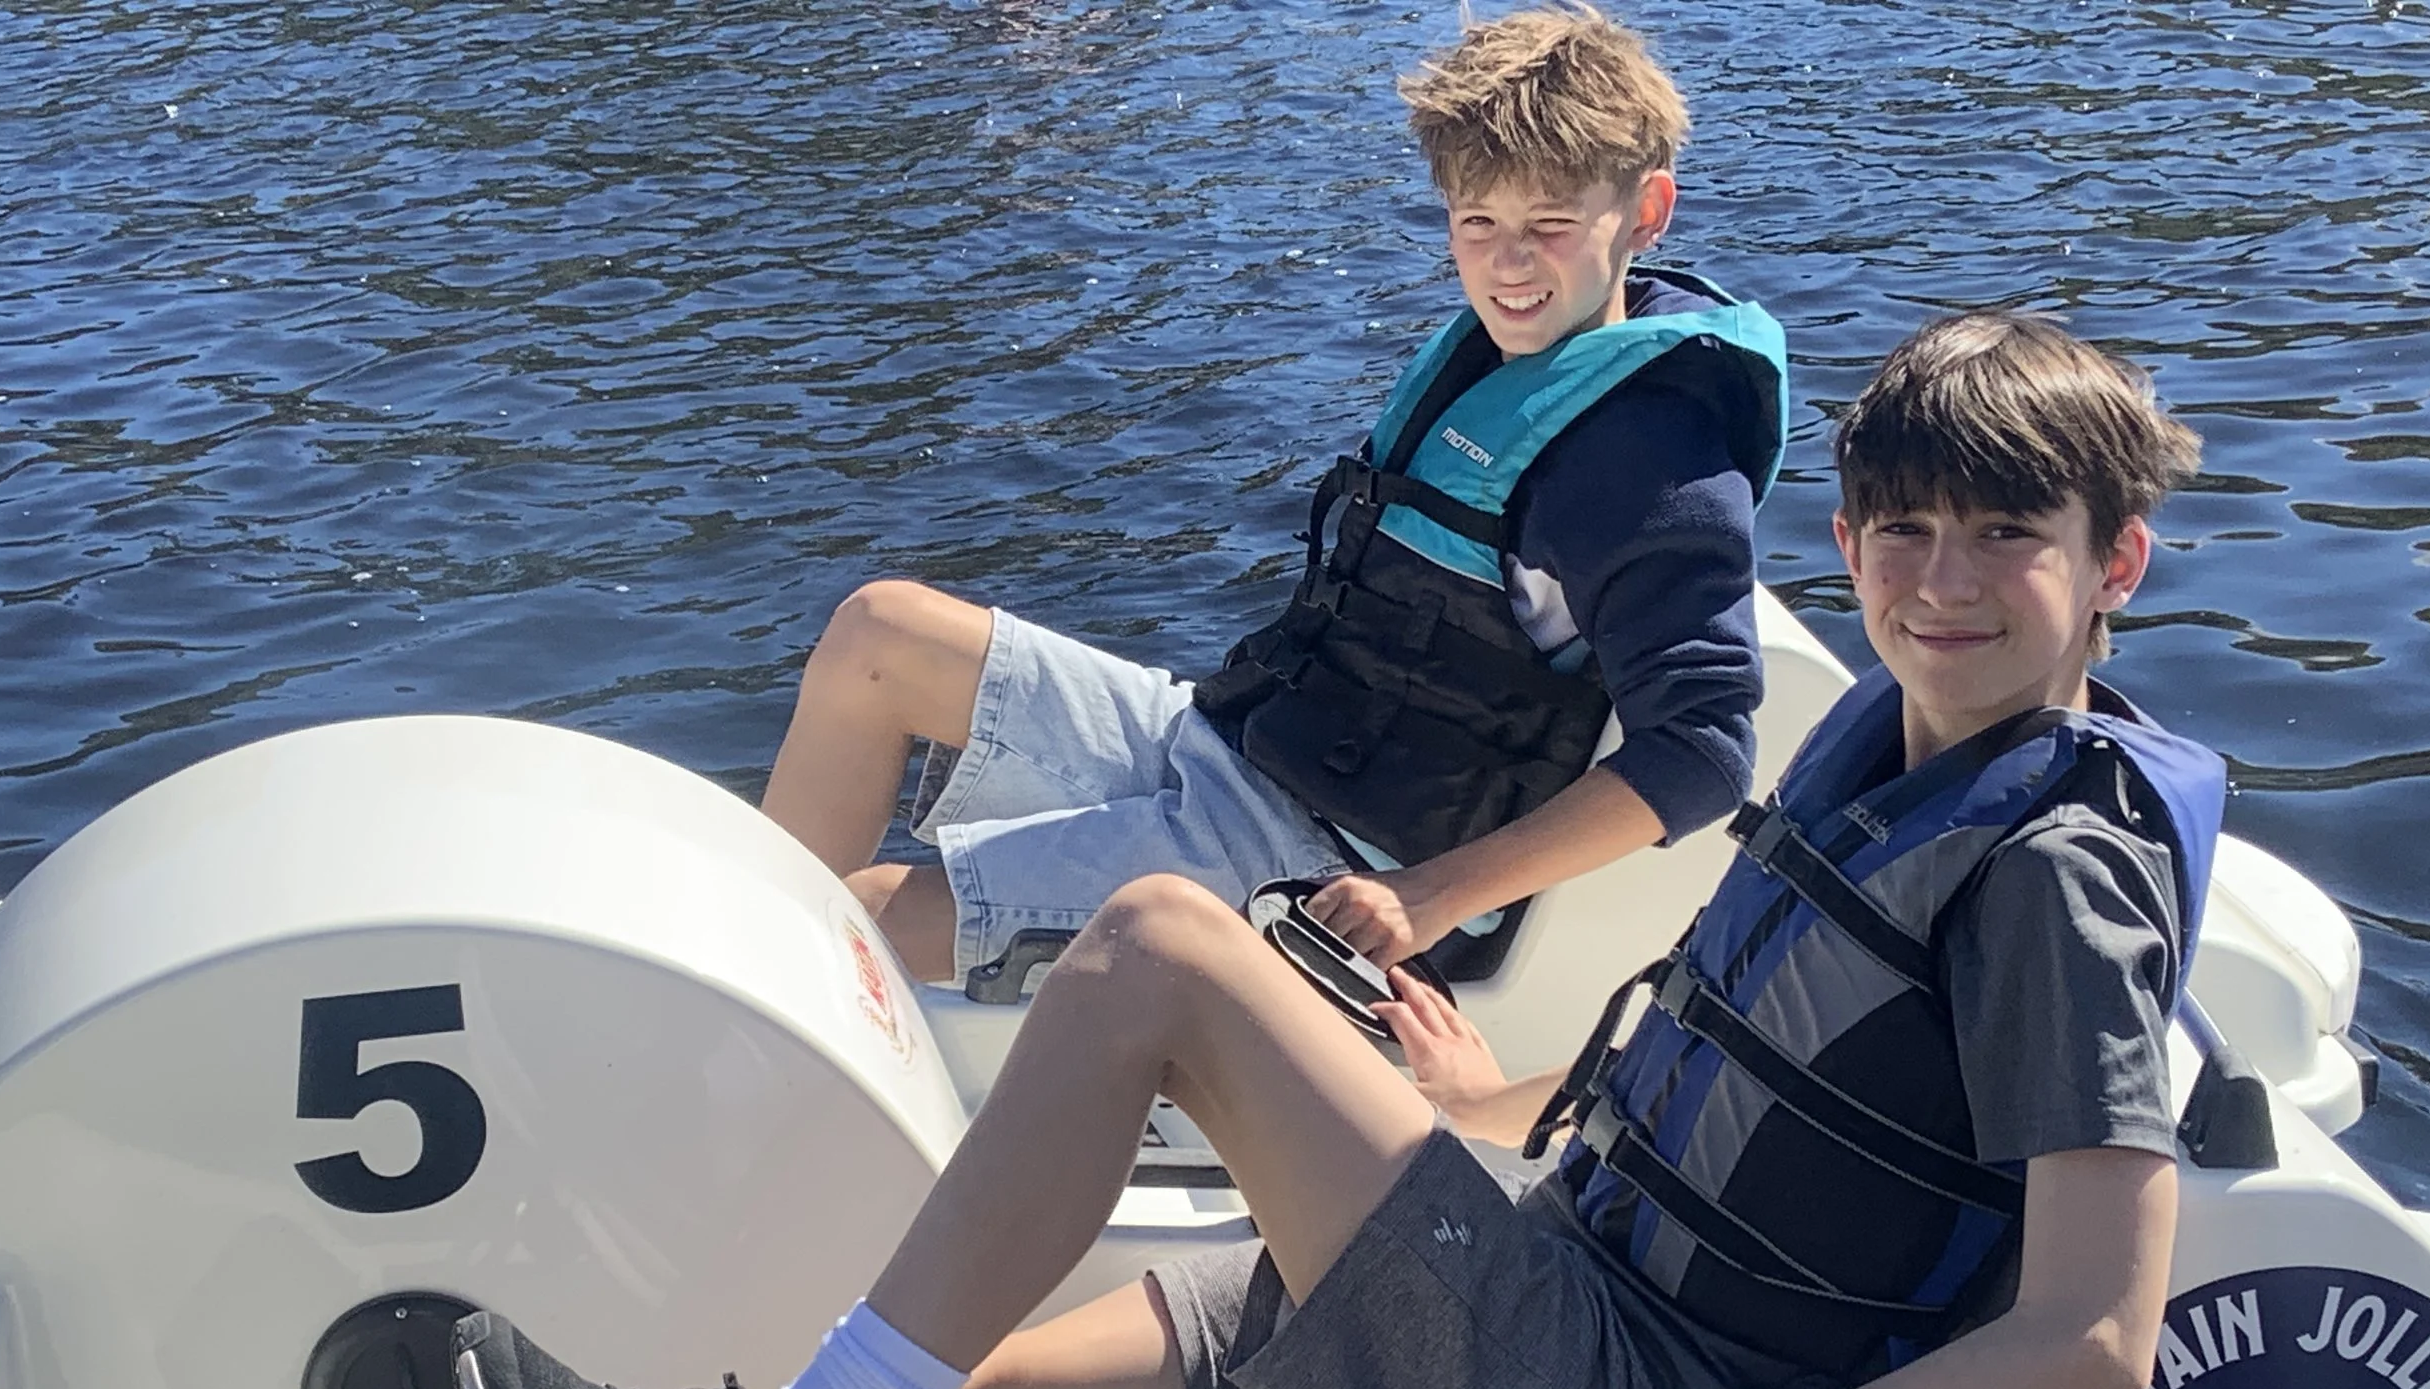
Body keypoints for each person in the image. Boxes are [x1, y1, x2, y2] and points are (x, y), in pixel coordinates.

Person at [232, 310, 2218, 1389]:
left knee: (1166, 952)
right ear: (1849, 543)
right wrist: (1487, 1106)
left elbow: (2093, 1335)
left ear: (2112, 558)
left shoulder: (2056, 877)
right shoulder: (1898, 753)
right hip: (1560, 1267)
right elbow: (1755, 1090)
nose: (1940, 579)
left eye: (2005, 536)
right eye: (1901, 530)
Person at [760, 4, 1786, 985]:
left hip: (1329, 860)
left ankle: (741, 1041)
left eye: (1551, 224)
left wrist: (1428, 897)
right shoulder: (1510, 358)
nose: (1509, 263)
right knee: (877, 635)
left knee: (858, 920)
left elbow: (1702, 751)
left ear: (1646, 212)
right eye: (1477, 221)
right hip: (1247, 741)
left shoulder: (1653, 464)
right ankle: (733, 987)